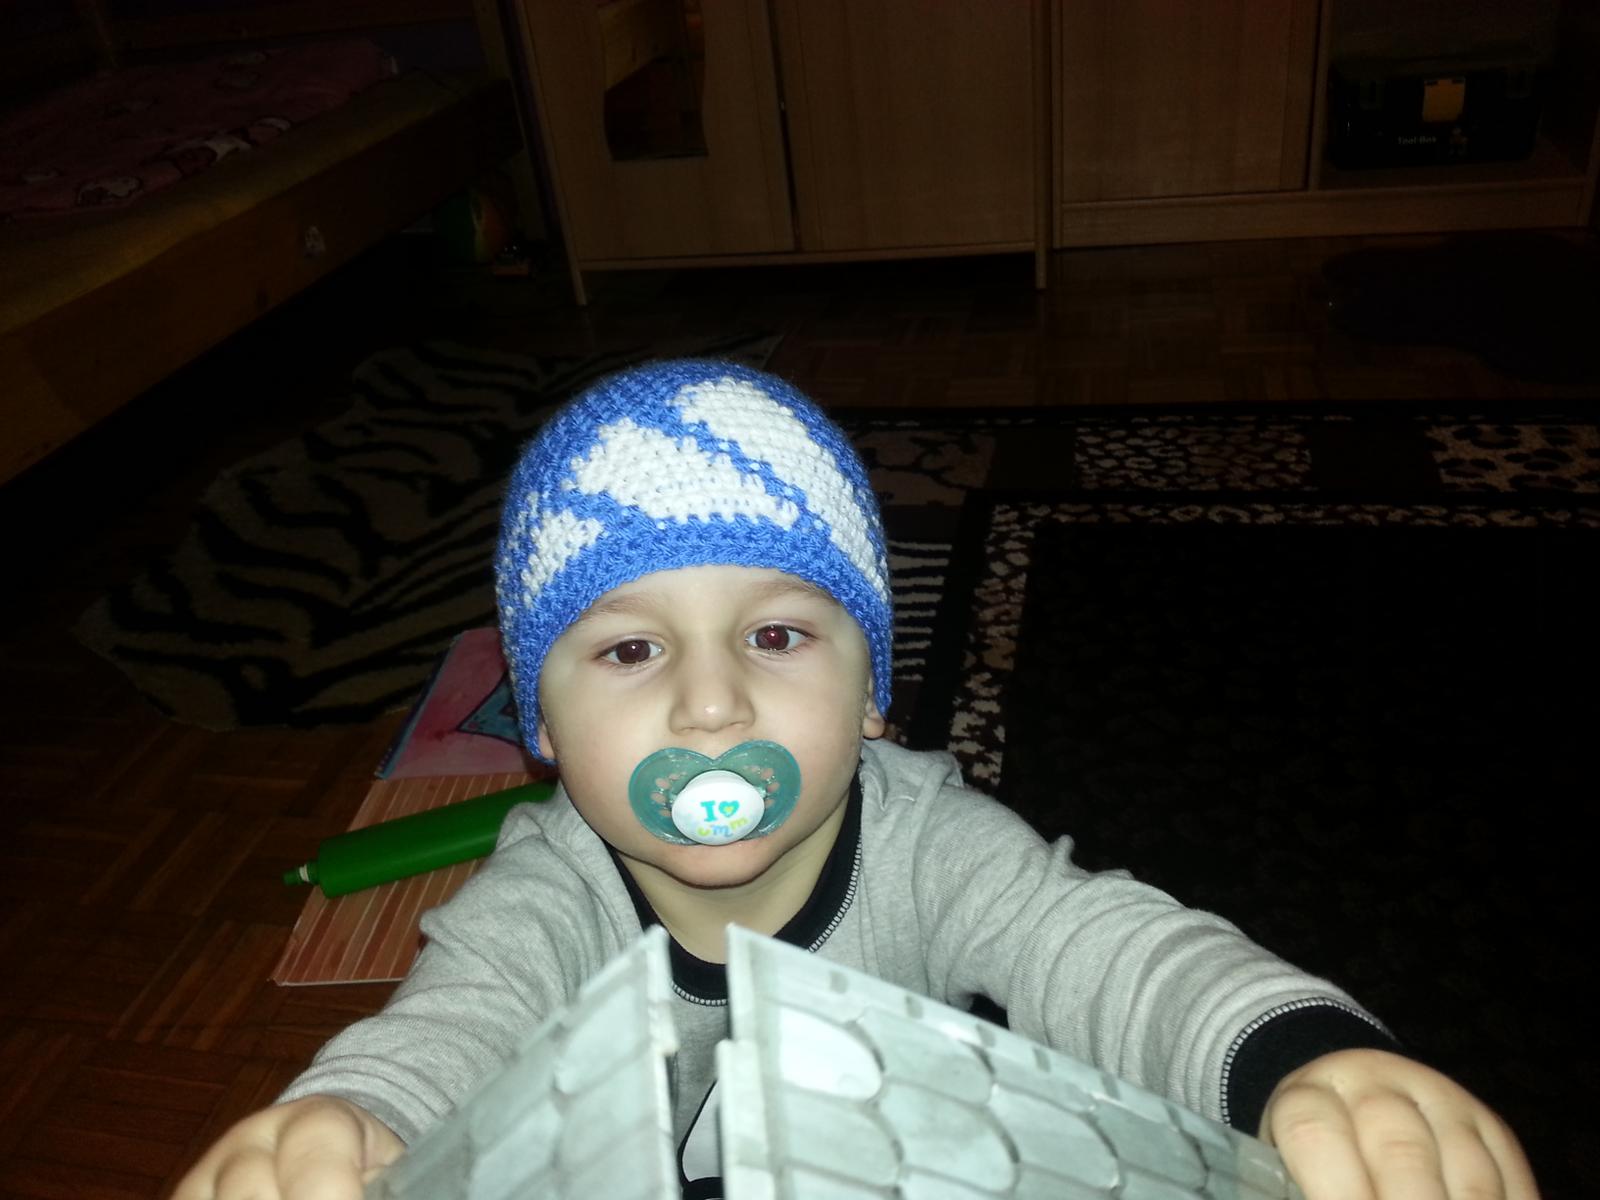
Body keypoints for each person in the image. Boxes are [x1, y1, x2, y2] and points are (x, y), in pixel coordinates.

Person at [173, 360, 1539, 1200]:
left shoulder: (931, 845)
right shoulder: (550, 892)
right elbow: (452, 1024)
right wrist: (344, 1124)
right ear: (542, 728)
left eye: (777, 636)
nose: (712, 703)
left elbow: (1107, 948)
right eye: (632, 649)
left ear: (873, 693)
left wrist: (1306, 1061)